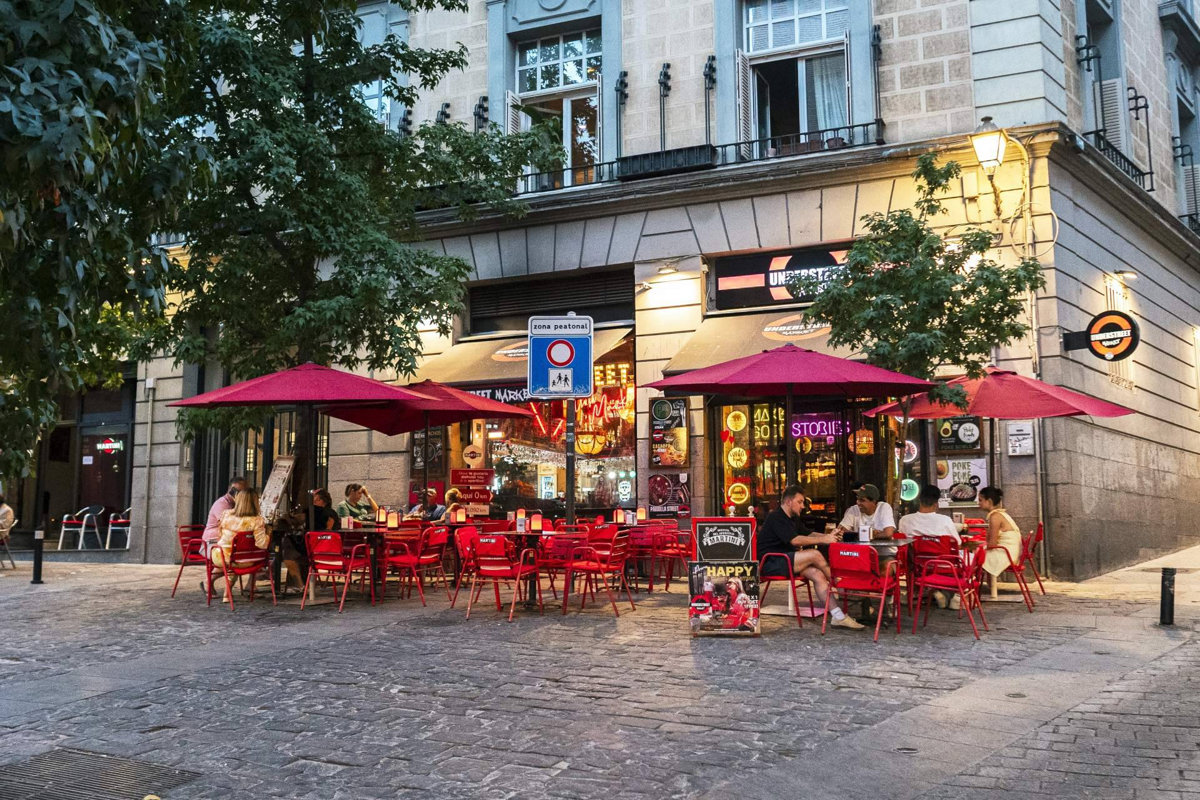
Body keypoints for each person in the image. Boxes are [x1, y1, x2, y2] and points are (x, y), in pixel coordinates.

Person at [756, 485, 865, 630]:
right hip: (770, 563)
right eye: (800, 502)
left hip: (786, 560)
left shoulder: (793, 518)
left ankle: (838, 617)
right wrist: (824, 540)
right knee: (815, 554)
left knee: (817, 574)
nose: (803, 506)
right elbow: (795, 540)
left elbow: (808, 534)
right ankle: (840, 585)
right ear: (788, 501)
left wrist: (829, 536)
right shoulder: (775, 517)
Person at [898, 484, 962, 609]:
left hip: (918, 565)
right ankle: (956, 596)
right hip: (945, 564)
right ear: (936, 504)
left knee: (909, 554)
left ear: (919, 501)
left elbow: (903, 543)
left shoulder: (905, 520)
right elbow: (958, 544)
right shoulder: (945, 520)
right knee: (971, 558)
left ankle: (928, 591)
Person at [209, 488, 270, 601]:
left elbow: (220, 534)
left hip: (221, 557)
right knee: (239, 559)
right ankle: (231, 592)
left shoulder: (226, 515)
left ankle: (226, 593)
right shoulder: (257, 520)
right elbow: (262, 544)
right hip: (246, 561)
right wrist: (268, 534)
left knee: (232, 560)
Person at [978, 486, 1023, 599]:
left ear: (989, 501)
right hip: (1010, 552)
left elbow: (992, 544)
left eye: (980, 500)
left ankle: (965, 590)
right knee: (978, 554)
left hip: (1006, 554)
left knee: (974, 558)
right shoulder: (1001, 514)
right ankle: (987, 586)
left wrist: (976, 546)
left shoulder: (995, 517)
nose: (979, 503)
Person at [202, 477, 246, 554]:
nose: (241, 495)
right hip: (212, 543)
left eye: (243, 492)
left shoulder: (236, 504)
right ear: (231, 490)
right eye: (237, 491)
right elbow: (227, 525)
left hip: (228, 543)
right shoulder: (221, 503)